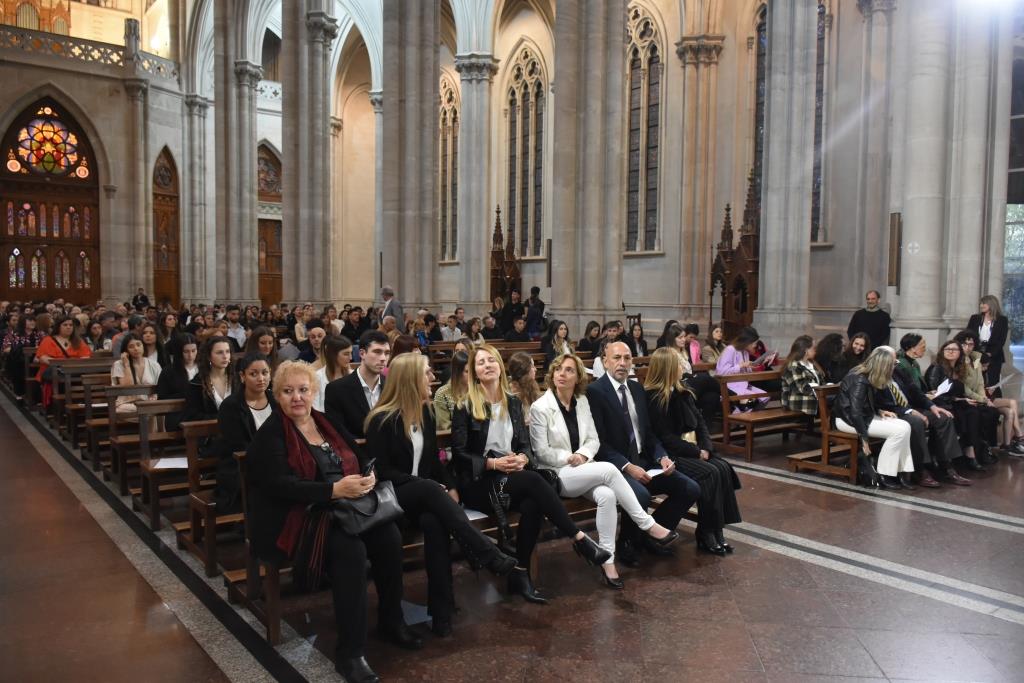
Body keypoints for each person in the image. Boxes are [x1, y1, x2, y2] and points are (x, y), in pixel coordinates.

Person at [246, 361, 418, 682]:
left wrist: (368, 474)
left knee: (389, 535)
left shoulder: (326, 422)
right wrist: (333, 490)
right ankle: (350, 653)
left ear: (314, 392)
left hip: (345, 507)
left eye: (303, 390)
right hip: (300, 517)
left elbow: (360, 455)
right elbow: (280, 486)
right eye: (288, 391)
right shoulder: (270, 434)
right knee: (349, 549)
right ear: (276, 395)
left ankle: (392, 621)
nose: (297, 397)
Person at [365, 354, 515, 635]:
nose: (433, 378)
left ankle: (442, 612)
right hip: (392, 497)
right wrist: (431, 487)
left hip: (424, 498)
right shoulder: (381, 420)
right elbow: (382, 472)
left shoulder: (425, 413)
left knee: (435, 524)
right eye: (426, 373)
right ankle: (486, 551)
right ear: (410, 379)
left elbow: (434, 462)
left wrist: (451, 486)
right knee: (427, 488)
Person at [451, 344, 610, 603]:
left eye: (491, 360)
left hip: (511, 478)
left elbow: (524, 444)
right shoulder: (466, 405)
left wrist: (522, 457)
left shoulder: (512, 402)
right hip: (481, 483)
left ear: (500, 367)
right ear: (474, 372)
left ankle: (520, 574)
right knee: (534, 480)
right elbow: (458, 454)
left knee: (533, 503)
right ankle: (580, 539)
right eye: (480, 363)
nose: (487, 365)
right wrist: (494, 464)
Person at [531, 353, 678, 588]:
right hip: (557, 473)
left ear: (578, 376)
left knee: (607, 496)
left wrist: (583, 455)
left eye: (569, 370)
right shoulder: (541, 407)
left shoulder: (582, 402)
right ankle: (647, 524)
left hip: (584, 469)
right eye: (558, 369)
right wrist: (571, 457)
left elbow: (593, 440)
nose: (562, 373)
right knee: (609, 469)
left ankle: (607, 561)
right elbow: (541, 452)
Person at [586, 342, 701, 567]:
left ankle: (650, 534)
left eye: (627, 358)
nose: (622, 363)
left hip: (645, 461)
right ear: (605, 361)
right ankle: (627, 542)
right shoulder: (595, 392)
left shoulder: (637, 389)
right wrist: (628, 467)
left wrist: (662, 457)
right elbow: (598, 443)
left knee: (690, 489)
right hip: (616, 467)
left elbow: (647, 433)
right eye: (616, 358)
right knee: (640, 494)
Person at [644, 348, 741, 555]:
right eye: (679, 363)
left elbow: (700, 423)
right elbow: (665, 438)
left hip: (692, 449)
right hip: (671, 454)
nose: (683, 366)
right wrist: (696, 452)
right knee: (709, 473)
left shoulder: (683, 391)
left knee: (723, 468)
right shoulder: (654, 398)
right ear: (668, 368)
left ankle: (717, 530)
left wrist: (706, 447)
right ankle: (705, 532)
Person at [876, 340, 968, 488]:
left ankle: (946, 466)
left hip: (909, 407)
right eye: (893, 361)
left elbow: (915, 391)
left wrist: (932, 407)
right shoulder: (875, 376)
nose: (896, 364)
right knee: (916, 422)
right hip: (893, 412)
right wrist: (909, 411)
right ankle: (921, 469)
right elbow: (881, 404)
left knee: (942, 417)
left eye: (896, 361)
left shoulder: (898, 371)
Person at [835, 347, 914, 489]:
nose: (894, 368)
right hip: (847, 421)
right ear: (883, 365)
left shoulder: (869, 374)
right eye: (892, 365)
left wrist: (879, 410)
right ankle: (884, 473)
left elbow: (866, 401)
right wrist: (864, 439)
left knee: (905, 426)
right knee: (899, 431)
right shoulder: (859, 378)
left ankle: (902, 470)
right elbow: (855, 412)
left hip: (864, 417)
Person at [214, 354, 274, 513]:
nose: (261, 378)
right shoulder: (231, 406)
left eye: (265, 372)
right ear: (242, 376)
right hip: (241, 466)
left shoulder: (277, 400)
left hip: (276, 461)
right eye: (253, 374)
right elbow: (237, 445)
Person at [924, 339, 988, 472]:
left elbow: (961, 389)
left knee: (975, 412)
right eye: (948, 349)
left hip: (952, 401)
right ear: (942, 351)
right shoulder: (937, 367)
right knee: (965, 414)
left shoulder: (958, 368)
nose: (951, 352)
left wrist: (964, 399)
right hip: (940, 403)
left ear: (960, 353)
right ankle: (952, 457)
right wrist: (960, 400)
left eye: (954, 349)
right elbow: (935, 392)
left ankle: (971, 452)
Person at [325, 330, 390, 438]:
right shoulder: (336, 390)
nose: (383, 358)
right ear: (362, 353)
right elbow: (337, 434)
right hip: (356, 453)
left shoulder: (392, 386)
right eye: (377, 352)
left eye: (387, 353)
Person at [954, 331, 1007, 460]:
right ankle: (974, 450)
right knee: (979, 414)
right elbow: (963, 385)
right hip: (962, 397)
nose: (967, 347)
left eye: (971, 344)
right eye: (964, 344)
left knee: (992, 412)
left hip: (976, 397)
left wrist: (984, 399)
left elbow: (979, 382)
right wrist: (980, 399)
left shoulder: (976, 358)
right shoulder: (957, 360)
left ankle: (984, 447)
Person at [35, 315, 91, 407]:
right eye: (65, 325)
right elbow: (43, 358)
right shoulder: (48, 340)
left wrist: (71, 365)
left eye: (70, 325)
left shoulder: (78, 341)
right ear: (58, 326)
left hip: (74, 372)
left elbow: (85, 357)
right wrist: (61, 364)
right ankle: (59, 407)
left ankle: (78, 406)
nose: (68, 327)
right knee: (61, 381)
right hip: (54, 372)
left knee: (85, 381)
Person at [715, 326, 770, 409]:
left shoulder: (744, 352)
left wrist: (757, 365)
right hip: (730, 386)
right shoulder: (730, 350)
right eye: (754, 343)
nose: (755, 345)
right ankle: (743, 417)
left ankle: (750, 417)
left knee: (765, 397)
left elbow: (746, 372)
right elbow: (721, 372)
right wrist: (740, 365)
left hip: (743, 384)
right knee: (753, 400)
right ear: (747, 341)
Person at [182, 336, 234, 423]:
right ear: (209, 356)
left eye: (227, 352)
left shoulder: (238, 380)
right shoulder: (197, 384)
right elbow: (193, 415)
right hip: (209, 433)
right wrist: (223, 417)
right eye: (219, 352)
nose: (225, 356)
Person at [157, 333, 199, 431]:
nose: (190, 355)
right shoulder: (168, 371)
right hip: (177, 414)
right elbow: (162, 398)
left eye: (194, 351)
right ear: (179, 352)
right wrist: (186, 394)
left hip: (200, 413)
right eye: (186, 351)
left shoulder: (204, 368)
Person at [109, 332, 161, 412]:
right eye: (131, 347)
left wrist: (154, 398)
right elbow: (127, 387)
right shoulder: (118, 364)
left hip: (148, 403)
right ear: (126, 351)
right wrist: (126, 365)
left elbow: (160, 387)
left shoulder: (154, 365)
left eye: (138, 344)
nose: (136, 349)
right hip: (126, 404)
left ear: (143, 346)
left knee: (155, 409)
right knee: (147, 410)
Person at [967, 295, 1009, 387]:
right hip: (976, 355)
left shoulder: (1002, 320)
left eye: (984, 303)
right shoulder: (975, 318)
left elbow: (1001, 340)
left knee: (992, 382)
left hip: (993, 357)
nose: (981, 305)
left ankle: (993, 400)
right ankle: (977, 399)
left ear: (991, 304)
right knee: (976, 379)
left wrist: (990, 354)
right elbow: (968, 336)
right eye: (981, 303)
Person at [780, 335, 823, 416]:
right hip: (799, 402)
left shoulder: (812, 364)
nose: (816, 351)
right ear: (806, 350)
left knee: (836, 398)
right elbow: (800, 388)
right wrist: (820, 391)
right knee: (834, 401)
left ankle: (833, 425)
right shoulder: (793, 366)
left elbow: (821, 381)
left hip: (814, 398)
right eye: (814, 348)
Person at [314, 335, 353, 412]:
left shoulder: (353, 375)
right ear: (333, 355)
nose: (351, 358)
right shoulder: (317, 377)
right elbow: (316, 408)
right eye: (346, 354)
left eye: (351, 353)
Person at [433, 350, 469, 431]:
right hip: (452, 438)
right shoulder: (442, 393)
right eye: (467, 371)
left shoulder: (479, 390)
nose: (472, 375)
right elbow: (443, 425)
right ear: (457, 372)